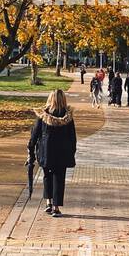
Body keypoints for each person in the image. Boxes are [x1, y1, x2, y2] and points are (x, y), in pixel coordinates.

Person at [28, 89, 77, 217]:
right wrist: (72, 151)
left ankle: (48, 202)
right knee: (59, 178)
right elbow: (72, 136)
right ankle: (56, 207)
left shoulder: (43, 115)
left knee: (47, 176)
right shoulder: (68, 116)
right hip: (62, 153)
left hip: (46, 152)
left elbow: (35, 134)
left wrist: (31, 150)